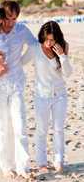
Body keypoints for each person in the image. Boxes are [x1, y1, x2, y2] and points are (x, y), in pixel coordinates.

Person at [0, 0, 37, 178]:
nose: (11, 23)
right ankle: (6, 167)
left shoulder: (21, 30)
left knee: (20, 125)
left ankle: (23, 166)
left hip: (16, 82)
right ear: (1, 16)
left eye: (14, 19)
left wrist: (21, 62)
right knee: (1, 126)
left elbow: (34, 45)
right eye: (8, 18)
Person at [21, 21, 72, 173]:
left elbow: (67, 73)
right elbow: (20, 62)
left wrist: (62, 56)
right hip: (41, 96)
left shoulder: (63, 46)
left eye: (52, 39)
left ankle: (59, 160)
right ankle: (41, 162)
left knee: (58, 129)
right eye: (46, 39)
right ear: (42, 37)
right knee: (41, 130)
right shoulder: (35, 49)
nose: (49, 43)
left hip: (60, 95)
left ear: (57, 38)